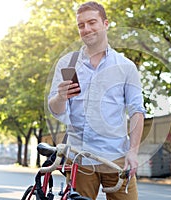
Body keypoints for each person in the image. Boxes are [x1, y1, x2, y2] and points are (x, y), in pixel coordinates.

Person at [48, 1, 145, 199]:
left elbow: (137, 111)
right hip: (79, 158)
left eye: (92, 22)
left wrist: (133, 151)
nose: (86, 29)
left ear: (105, 24)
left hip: (116, 158)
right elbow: (56, 109)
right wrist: (60, 96)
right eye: (81, 25)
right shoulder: (67, 63)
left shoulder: (125, 66)